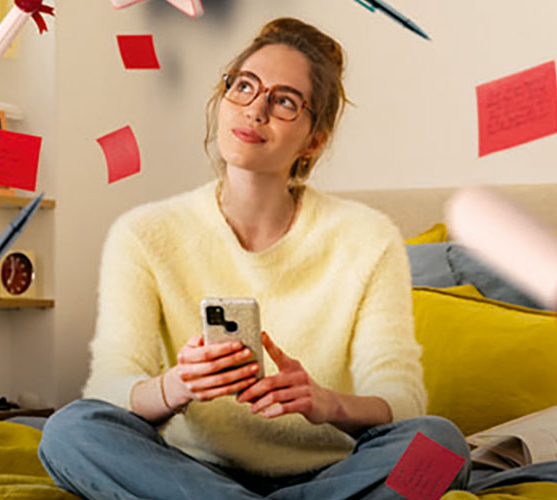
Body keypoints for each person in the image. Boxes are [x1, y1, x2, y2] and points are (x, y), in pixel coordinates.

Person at [39, 17, 470, 499]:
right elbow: (113, 387)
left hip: (330, 473)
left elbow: (403, 401)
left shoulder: (367, 238)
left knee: (441, 446)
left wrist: (327, 404)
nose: (255, 109)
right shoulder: (144, 233)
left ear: (314, 139)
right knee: (70, 430)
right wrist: (178, 386)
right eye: (244, 86)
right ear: (223, 99)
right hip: (191, 471)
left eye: (284, 100)